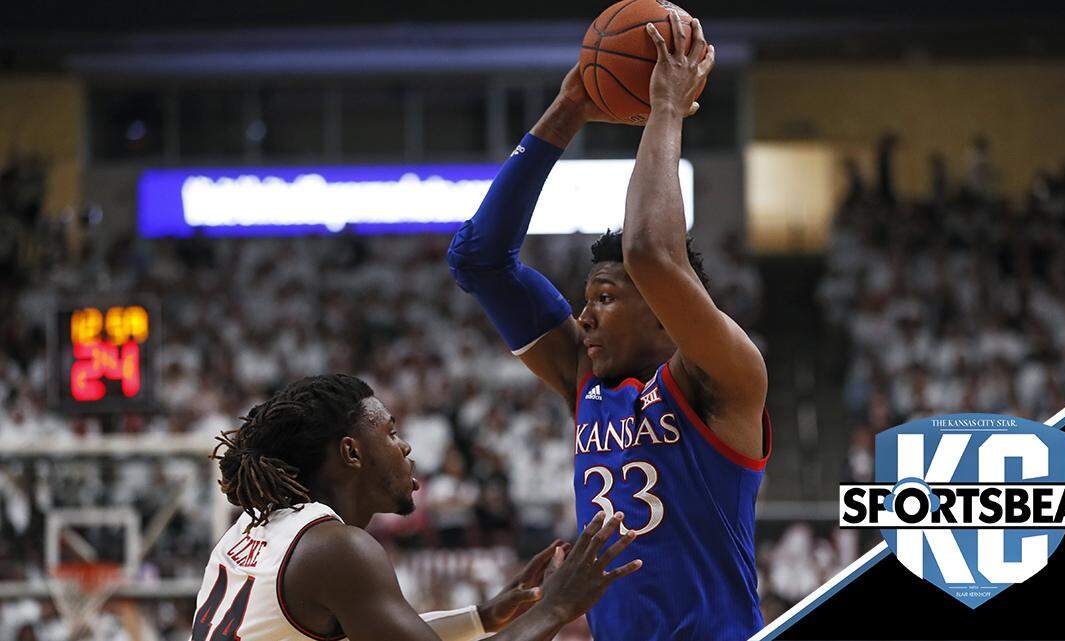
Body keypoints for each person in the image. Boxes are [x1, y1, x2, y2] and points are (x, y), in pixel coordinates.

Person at [448, 14, 771, 641]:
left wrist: (665, 109)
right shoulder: (585, 381)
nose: (583, 316)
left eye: (603, 297)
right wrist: (569, 106)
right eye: (585, 299)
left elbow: (652, 253)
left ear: (663, 309)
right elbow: (478, 261)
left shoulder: (725, 378)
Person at [195, 374, 641, 641]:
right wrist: (558, 607)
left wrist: (484, 616)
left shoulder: (252, 530)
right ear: (352, 454)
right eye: (390, 432)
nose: (406, 446)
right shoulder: (336, 549)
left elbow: (380, 631)